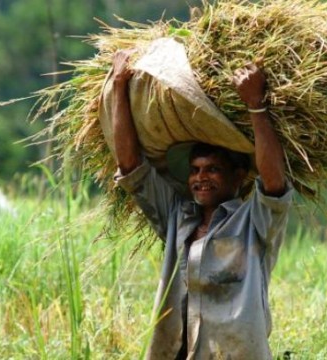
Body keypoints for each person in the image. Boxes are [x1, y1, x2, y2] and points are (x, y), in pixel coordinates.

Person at [110, 49, 293, 359]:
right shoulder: (177, 217)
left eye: (212, 169)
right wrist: (118, 85)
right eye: (195, 170)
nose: (200, 178)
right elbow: (129, 165)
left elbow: (274, 183)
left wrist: (256, 106)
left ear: (238, 175)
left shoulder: (255, 223)